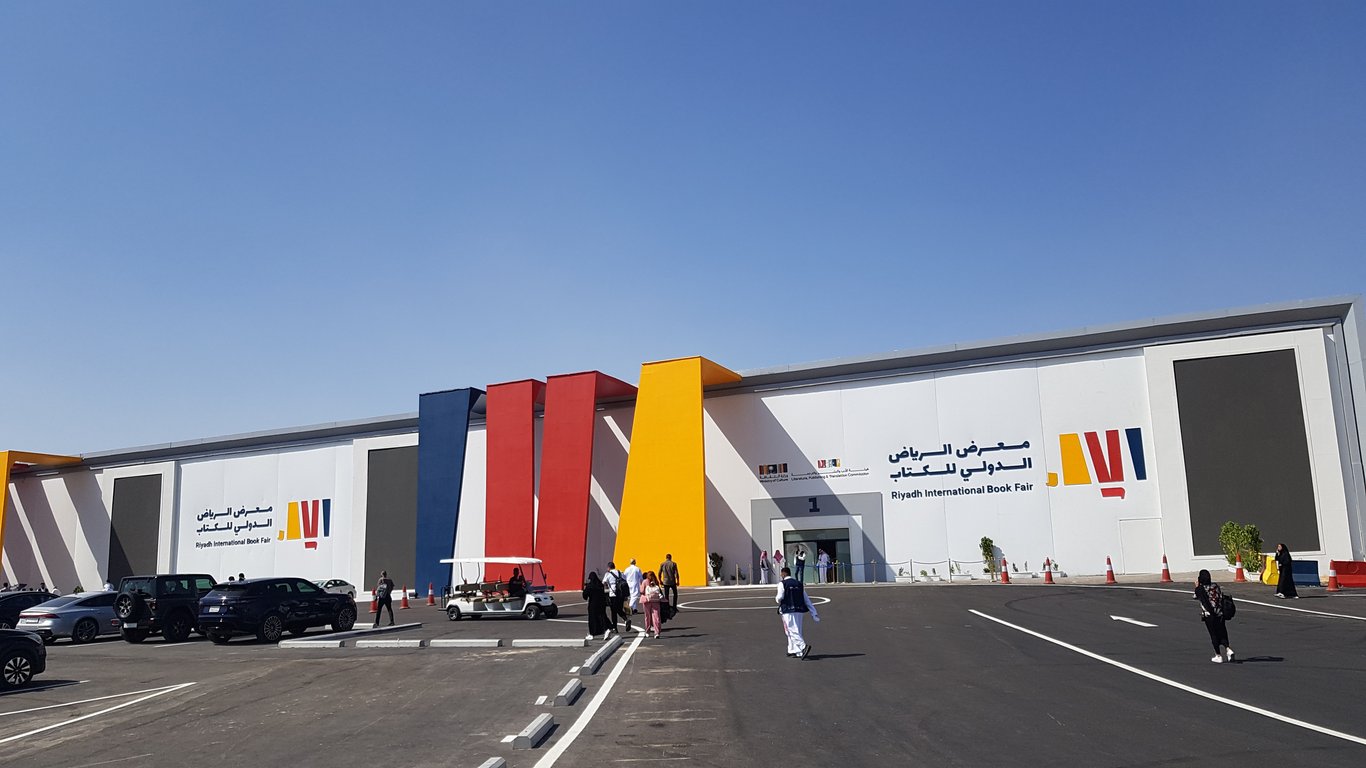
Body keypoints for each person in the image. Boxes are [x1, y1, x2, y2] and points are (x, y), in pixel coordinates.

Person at [776, 566, 819, 659]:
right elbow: (806, 599)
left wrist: (777, 600)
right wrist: (813, 612)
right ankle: (794, 650)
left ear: (783, 573)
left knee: (791, 630)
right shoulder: (799, 584)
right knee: (797, 630)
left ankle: (803, 647)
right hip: (799, 610)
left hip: (788, 610)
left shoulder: (782, 584)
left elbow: (779, 597)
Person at [1195, 569, 1234, 663]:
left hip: (1209, 615)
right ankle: (1228, 649)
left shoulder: (1200, 589)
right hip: (1220, 613)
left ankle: (1218, 655)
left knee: (1214, 634)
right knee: (1222, 631)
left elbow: (1196, 596)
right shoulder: (1215, 586)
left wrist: (1197, 586)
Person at [582, 572, 612, 641]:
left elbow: (585, 595)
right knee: (602, 617)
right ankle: (606, 629)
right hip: (602, 604)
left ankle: (592, 634)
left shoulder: (590, 586)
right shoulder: (600, 585)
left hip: (593, 605)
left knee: (592, 619)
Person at [605, 561, 632, 633]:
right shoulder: (620, 572)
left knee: (614, 611)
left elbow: (604, 582)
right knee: (619, 609)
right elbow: (625, 581)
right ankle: (626, 619)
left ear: (608, 567)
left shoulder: (608, 574)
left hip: (613, 594)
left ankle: (615, 627)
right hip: (621, 594)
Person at [640, 571, 664, 639]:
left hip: (647, 600)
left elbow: (642, 591)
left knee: (647, 616)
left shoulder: (645, 582)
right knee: (656, 617)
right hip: (656, 601)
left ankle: (647, 631)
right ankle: (657, 632)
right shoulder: (656, 581)